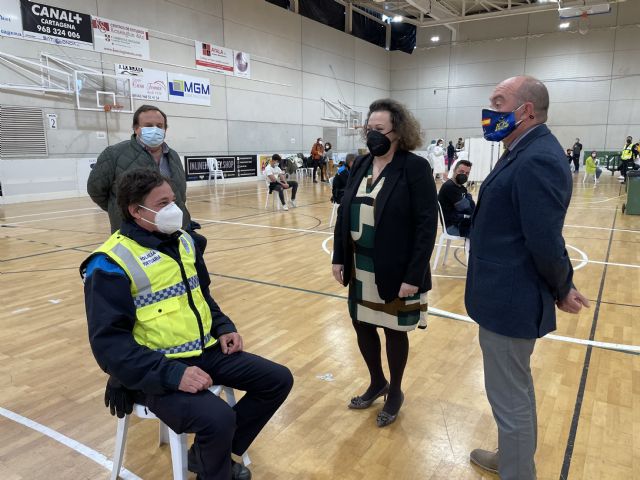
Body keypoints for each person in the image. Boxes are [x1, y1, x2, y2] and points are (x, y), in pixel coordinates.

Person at [81, 168, 293, 480]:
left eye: (174, 199)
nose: (174, 208)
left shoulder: (185, 242)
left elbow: (201, 294)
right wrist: (172, 373)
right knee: (217, 418)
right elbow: (109, 345)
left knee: (278, 379)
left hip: (203, 350)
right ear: (136, 211)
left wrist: (222, 326)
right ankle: (214, 470)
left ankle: (211, 459)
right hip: (156, 371)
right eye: (163, 202)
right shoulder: (110, 263)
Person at [470, 76, 589, 480]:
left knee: (509, 398)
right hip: (504, 295)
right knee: (514, 390)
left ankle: (518, 472)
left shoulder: (537, 156)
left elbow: (544, 238)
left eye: (498, 102)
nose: (490, 112)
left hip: (511, 298)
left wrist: (563, 285)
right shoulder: (521, 148)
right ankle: (512, 458)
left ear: (527, 111)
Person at [331, 98, 438, 428]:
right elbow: (344, 210)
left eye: (379, 129)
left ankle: (395, 392)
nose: (371, 135)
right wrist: (338, 257)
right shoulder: (362, 164)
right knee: (362, 324)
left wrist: (414, 274)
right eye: (368, 128)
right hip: (360, 265)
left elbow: (426, 225)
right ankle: (377, 381)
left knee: (393, 331)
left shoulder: (414, 168)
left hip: (396, 269)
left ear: (398, 132)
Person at [87, 104, 207, 253]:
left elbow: (180, 194)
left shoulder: (173, 155)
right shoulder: (113, 154)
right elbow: (96, 190)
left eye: (159, 126)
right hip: (135, 236)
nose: (155, 129)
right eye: (148, 125)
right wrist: (122, 210)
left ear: (165, 130)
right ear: (136, 128)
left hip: (173, 231)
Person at [437, 160, 475, 237]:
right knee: (481, 233)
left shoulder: (462, 187)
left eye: (467, 173)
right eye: (461, 171)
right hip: (452, 226)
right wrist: (469, 199)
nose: (464, 175)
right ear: (454, 170)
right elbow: (467, 207)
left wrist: (469, 201)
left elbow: (471, 206)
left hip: (461, 222)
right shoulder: (449, 187)